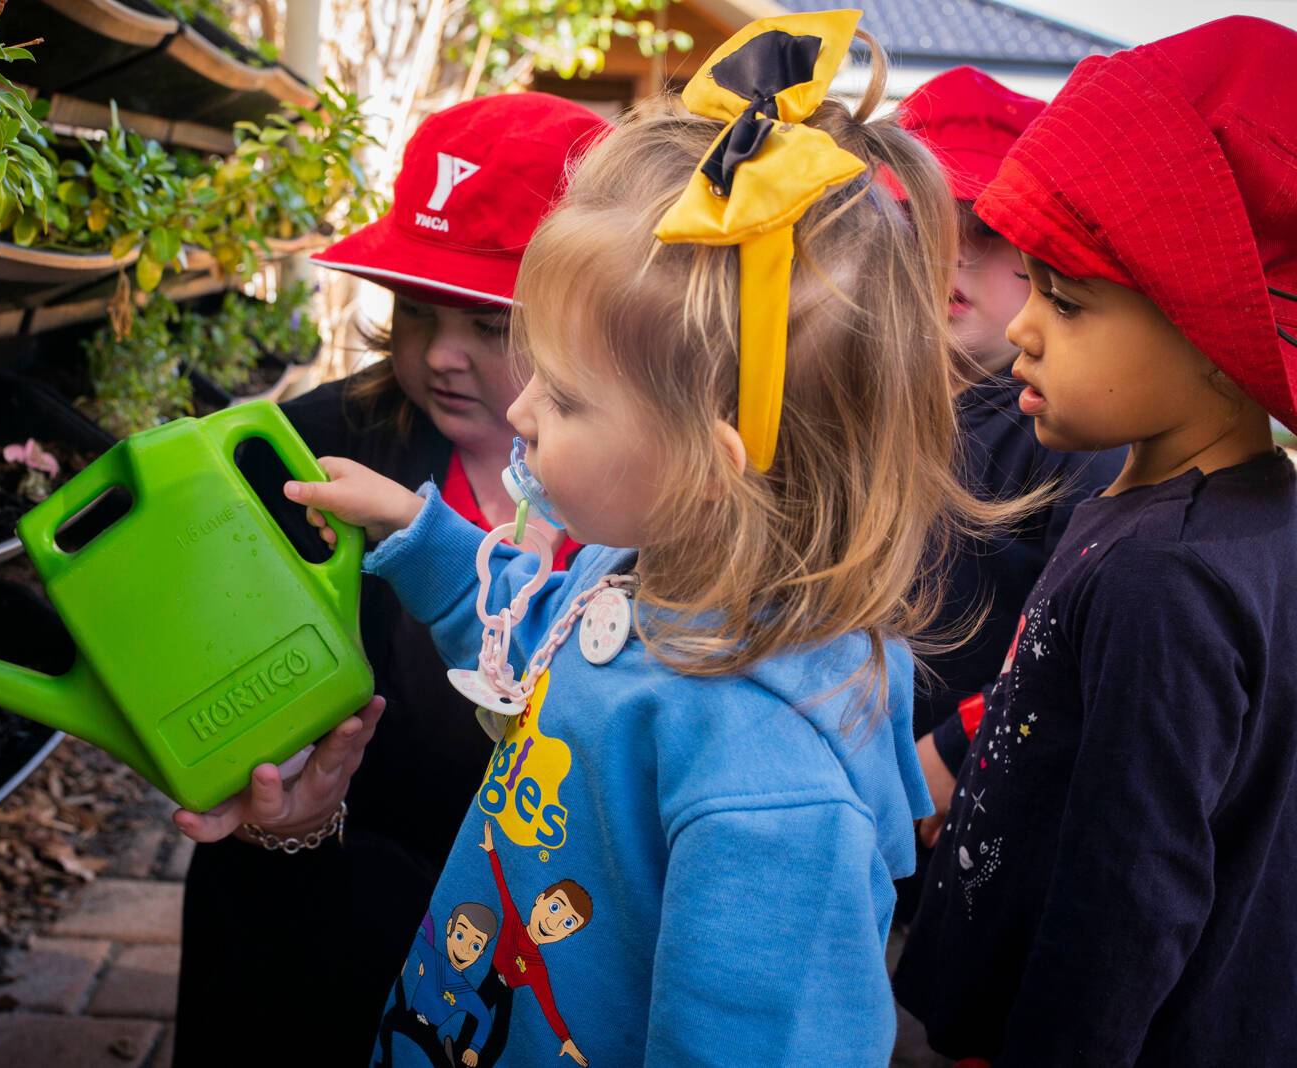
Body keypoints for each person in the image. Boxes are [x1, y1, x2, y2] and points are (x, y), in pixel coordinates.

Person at [284, 13, 1028, 1063]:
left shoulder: (769, 790)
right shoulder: (646, 579)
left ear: (706, 464)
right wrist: (424, 534)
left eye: (570, 396)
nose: (526, 412)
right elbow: (536, 638)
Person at [170, 93, 608, 1066]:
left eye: (491, 323)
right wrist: (282, 810)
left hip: (548, 939)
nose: (441, 355)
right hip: (325, 894)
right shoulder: (319, 450)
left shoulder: (645, 493)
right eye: (415, 310)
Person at [894, 17, 1297, 1065]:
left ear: (1214, 340)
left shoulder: (1166, 579)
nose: (1025, 324)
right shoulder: (1230, 515)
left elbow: (1131, 892)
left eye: (1066, 302)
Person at [886, 67, 1124, 885]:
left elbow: (1075, 637)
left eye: (986, 226)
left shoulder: (1069, 430)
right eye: (923, 219)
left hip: (967, 819)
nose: (950, 253)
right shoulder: (859, 393)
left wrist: (958, 744)